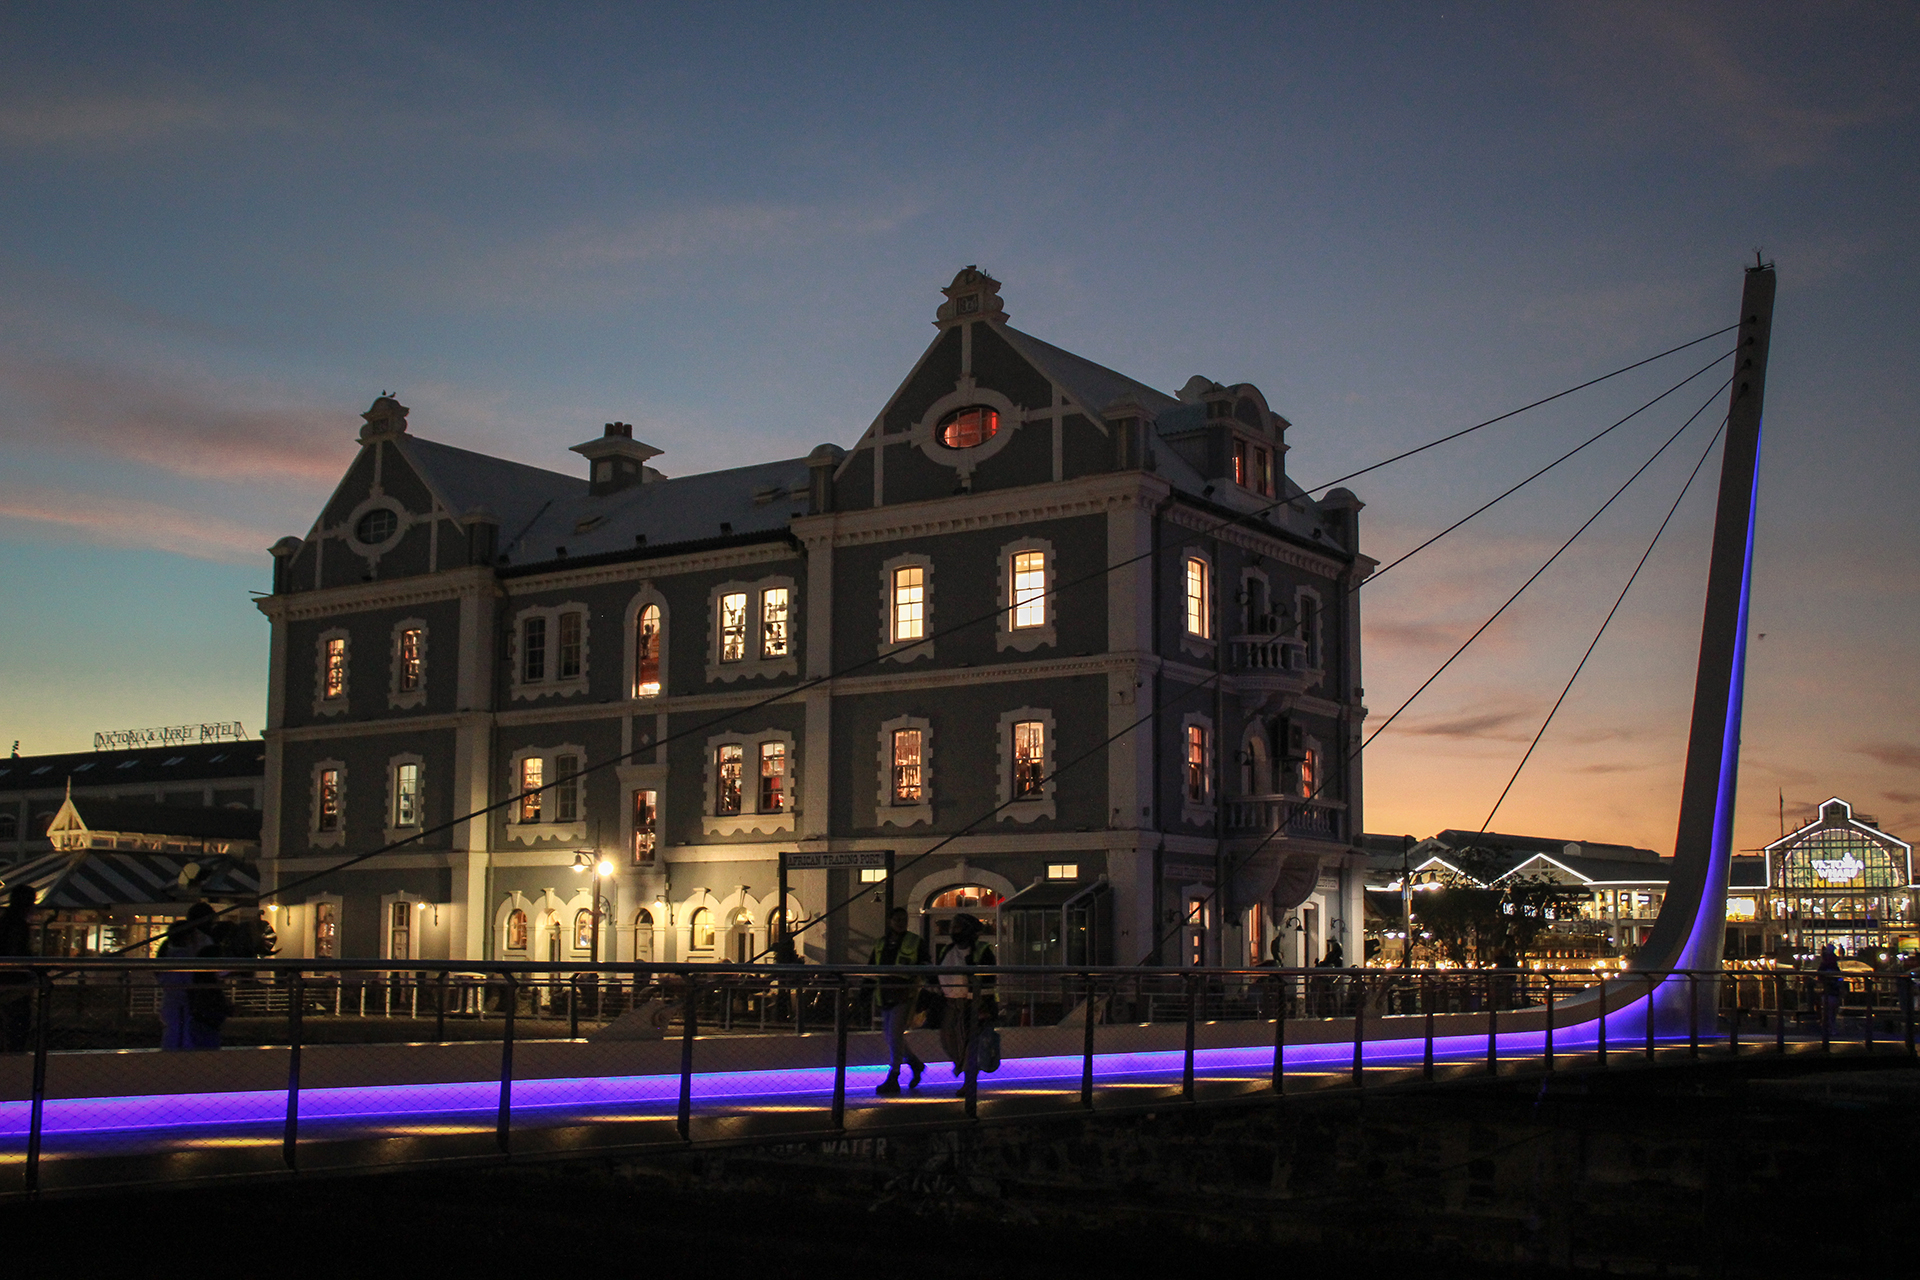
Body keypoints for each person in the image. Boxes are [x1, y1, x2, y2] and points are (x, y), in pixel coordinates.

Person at [935, 913, 996, 1095]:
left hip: (974, 1004)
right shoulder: (947, 950)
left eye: (958, 927)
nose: (954, 931)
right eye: (952, 927)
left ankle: (969, 1082)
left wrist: (982, 1004)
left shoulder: (983, 950)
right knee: (948, 1039)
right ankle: (963, 1067)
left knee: (971, 1044)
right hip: (951, 1003)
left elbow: (989, 980)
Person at [869, 907, 926, 1095]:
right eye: (897, 919)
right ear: (890, 921)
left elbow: (925, 964)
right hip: (885, 994)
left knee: (894, 1034)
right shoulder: (881, 943)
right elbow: (871, 966)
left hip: (904, 994)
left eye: (904, 919)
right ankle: (915, 1063)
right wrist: (866, 989)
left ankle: (894, 1075)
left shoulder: (915, 942)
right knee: (890, 1036)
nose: (901, 923)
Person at [158, 902, 223, 1050]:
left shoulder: (169, 951)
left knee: (175, 1032)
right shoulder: (193, 951)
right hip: (187, 1000)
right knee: (184, 1034)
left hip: (175, 998)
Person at [0, 885, 37, 1052]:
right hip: (14, 981)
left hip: (9, 980)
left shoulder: (6, 921)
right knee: (18, 1022)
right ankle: (16, 1052)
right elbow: (17, 952)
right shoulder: (17, 925)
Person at [1817, 943, 1843, 1038]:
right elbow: (1839, 977)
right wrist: (1840, 983)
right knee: (1832, 1012)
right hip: (1833, 991)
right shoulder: (1834, 966)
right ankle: (1831, 1029)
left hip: (1827, 991)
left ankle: (1827, 1028)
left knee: (1827, 1012)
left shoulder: (1823, 965)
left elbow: (1819, 976)